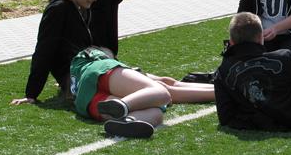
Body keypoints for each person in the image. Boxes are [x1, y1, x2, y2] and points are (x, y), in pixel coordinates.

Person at [71, 46, 216, 138]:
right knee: (162, 93)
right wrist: (219, 93)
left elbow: (168, 82)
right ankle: (123, 105)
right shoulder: (99, 59)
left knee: (156, 114)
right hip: (100, 71)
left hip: (85, 101)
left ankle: (128, 120)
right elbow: (168, 90)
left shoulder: (76, 74)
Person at [10, 0, 103, 106]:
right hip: (79, 77)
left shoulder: (81, 8)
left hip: (88, 70)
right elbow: (44, 50)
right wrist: (31, 94)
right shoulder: (58, 9)